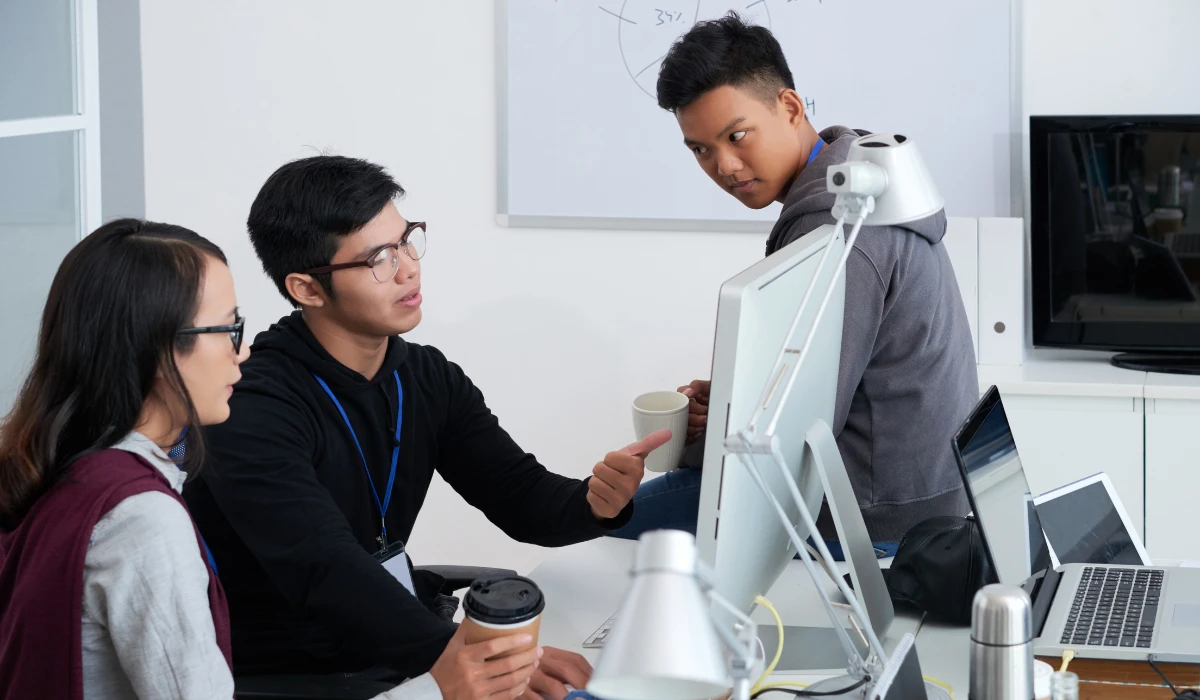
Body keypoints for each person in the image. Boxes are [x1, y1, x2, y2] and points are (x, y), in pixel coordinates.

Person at [185, 155, 669, 699]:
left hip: (390, 653)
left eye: (407, 241)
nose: (409, 267)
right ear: (307, 289)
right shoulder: (251, 405)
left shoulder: (425, 376)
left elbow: (520, 496)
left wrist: (596, 502)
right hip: (283, 677)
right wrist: (462, 655)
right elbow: (326, 569)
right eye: (378, 260)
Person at [0, 219, 544, 700]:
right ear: (159, 350)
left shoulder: (71, 466)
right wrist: (440, 688)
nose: (243, 352)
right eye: (228, 329)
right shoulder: (144, 521)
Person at [611, 13, 979, 555]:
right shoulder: (858, 172)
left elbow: (789, 441)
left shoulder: (838, 224)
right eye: (701, 149)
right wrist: (738, 399)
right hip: (922, 498)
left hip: (874, 524)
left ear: (789, 107)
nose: (725, 165)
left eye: (737, 136)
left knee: (606, 520)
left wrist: (702, 437)